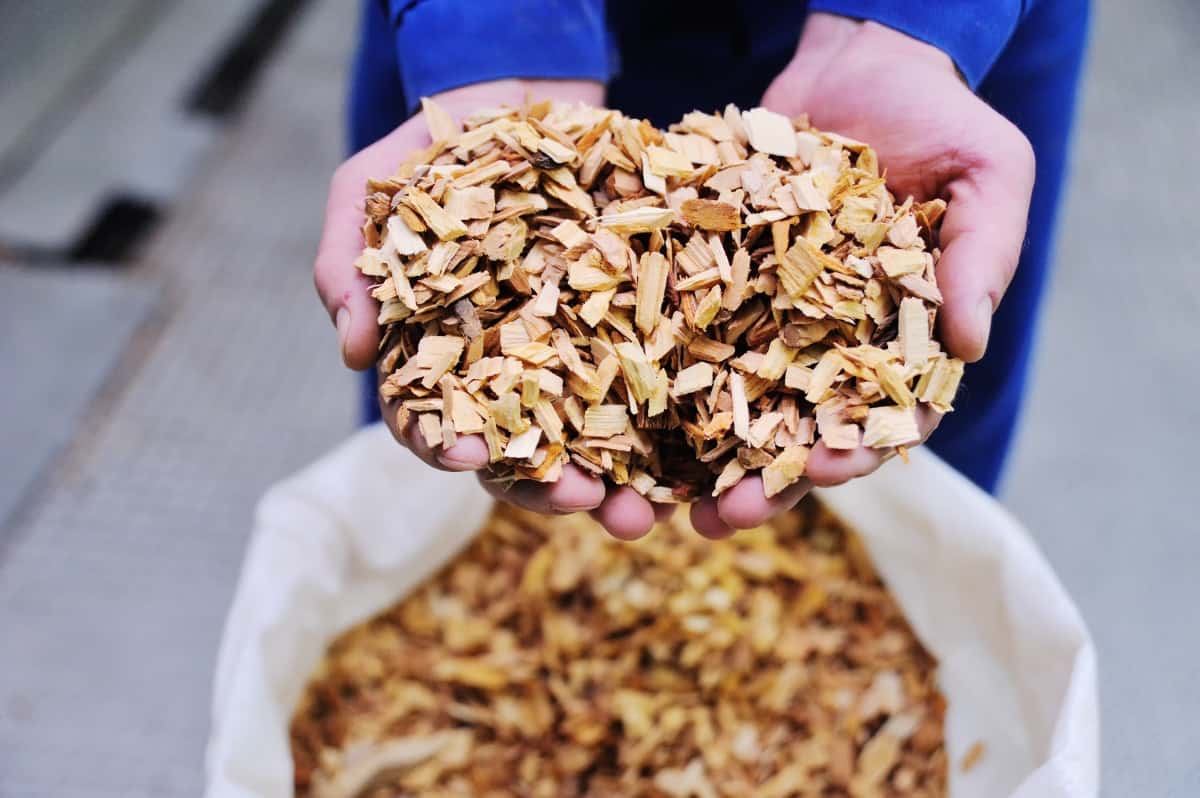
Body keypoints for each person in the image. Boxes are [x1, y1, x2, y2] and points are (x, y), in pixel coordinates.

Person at [313, 0, 1089, 540]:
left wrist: (915, 23)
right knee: (459, 446)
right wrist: (492, 33)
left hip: (928, 53)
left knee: (925, 445)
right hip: (503, 31)